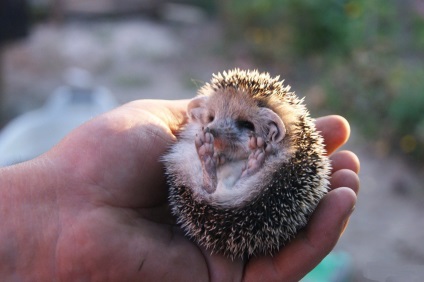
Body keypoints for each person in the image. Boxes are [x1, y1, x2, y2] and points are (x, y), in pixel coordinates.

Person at [0, 99, 360, 281]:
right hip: (216, 189)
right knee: (199, 154)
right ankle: (227, 177)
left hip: (244, 186)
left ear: (272, 129)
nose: (216, 128)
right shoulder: (205, 127)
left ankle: (233, 177)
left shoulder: (276, 150)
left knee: (218, 158)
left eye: (242, 123)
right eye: (212, 118)